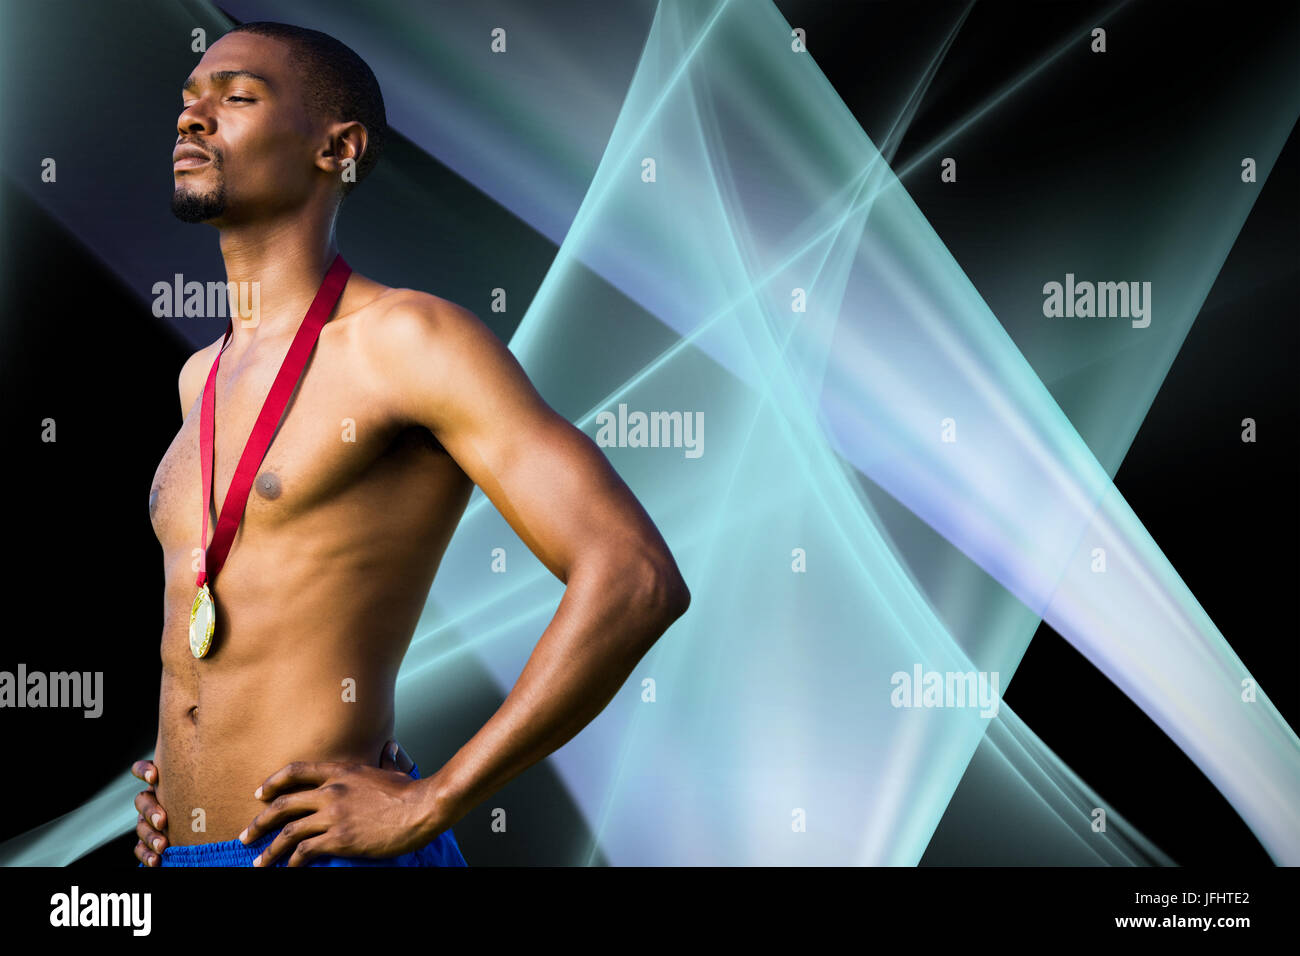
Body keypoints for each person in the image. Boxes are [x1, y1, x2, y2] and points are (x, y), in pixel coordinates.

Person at [131, 21, 690, 867]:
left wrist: (435, 799)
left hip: (326, 858)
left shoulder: (409, 339)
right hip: (179, 860)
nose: (192, 119)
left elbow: (635, 576)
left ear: (338, 147)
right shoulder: (200, 378)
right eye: (188, 102)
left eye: (236, 97)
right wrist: (178, 785)